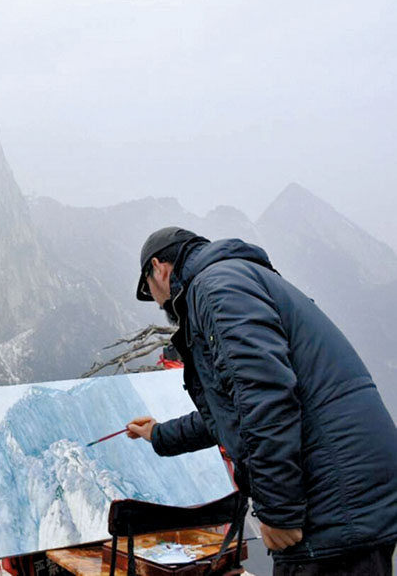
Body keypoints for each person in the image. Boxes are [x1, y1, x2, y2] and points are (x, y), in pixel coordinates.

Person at [126, 226, 397, 575]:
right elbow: (234, 409)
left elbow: (265, 397)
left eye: (148, 290)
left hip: (330, 502)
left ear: (159, 268)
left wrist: (279, 511)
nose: (157, 303)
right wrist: (158, 434)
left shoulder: (216, 288)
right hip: (348, 492)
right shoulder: (234, 278)